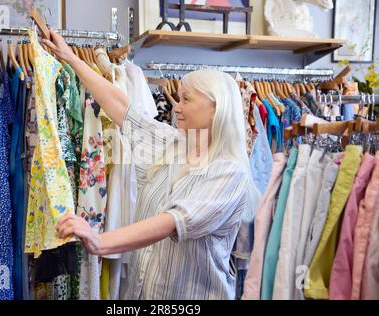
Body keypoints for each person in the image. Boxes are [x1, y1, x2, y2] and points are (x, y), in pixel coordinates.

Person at [42, 29, 260, 299]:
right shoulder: (171, 145)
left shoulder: (228, 172)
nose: (176, 107)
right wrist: (70, 58)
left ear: (216, 108)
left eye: (186, 99)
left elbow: (171, 222)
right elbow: (122, 107)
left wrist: (100, 242)